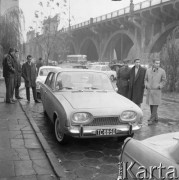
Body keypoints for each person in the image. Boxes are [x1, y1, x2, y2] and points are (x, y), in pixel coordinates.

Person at [145, 58, 166, 125]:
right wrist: (146, 85)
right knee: (151, 104)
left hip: (157, 91)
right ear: (153, 63)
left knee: (155, 105)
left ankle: (152, 119)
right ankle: (155, 117)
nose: (158, 64)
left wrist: (160, 86)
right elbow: (145, 79)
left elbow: (164, 80)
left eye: (159, 63)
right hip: (150, 90)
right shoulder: (148, 70)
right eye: (156, 63)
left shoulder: (162, 71)